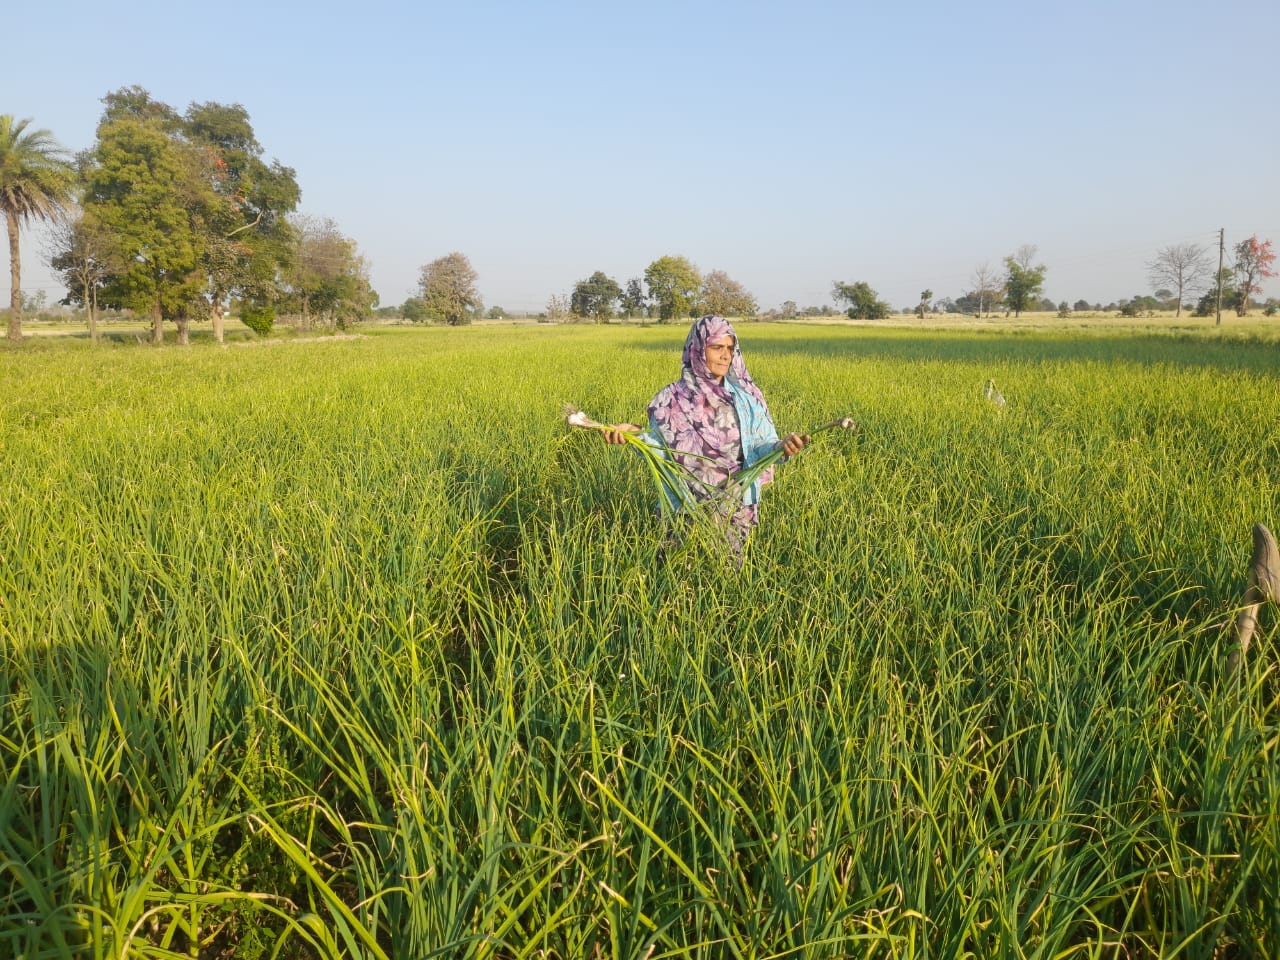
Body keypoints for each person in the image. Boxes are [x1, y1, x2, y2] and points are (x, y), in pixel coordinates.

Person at [603, 315, 808, 558]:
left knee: (726, 581)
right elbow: (661, 450)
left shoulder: (745, 398)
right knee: (674, 579)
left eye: (730, 348)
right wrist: (634, 436)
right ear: (697, 348)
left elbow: (759, 447)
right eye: (717, 347)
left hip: (732, 508)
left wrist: (780, 447)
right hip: (682, 505)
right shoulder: (671, 399)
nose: (725, 355)